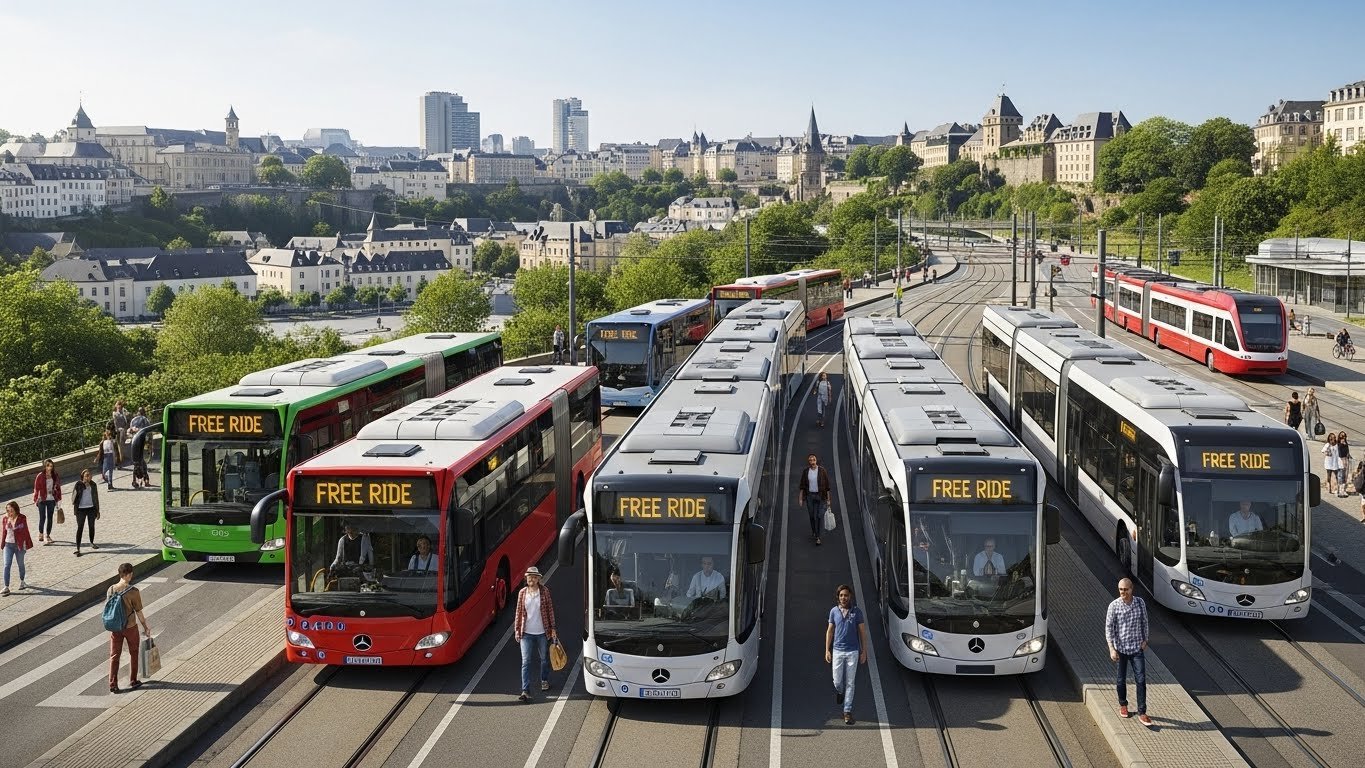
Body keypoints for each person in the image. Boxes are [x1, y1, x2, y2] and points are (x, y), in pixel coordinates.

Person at [1105, 578, 1152, 727]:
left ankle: (1142, 712)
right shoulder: (1114, 606)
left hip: (1137, 648)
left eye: (1126, 589)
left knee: (1141, 679)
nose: (1123, 592)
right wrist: (1111, 648)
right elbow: (1109, 628)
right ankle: (1123, 704)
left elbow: (1145, 621)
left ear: (1132, 589)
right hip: (1121, 649)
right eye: (1120, 589)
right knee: (1121, 679)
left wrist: (1146, 640)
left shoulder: (1140, 603)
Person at [825, 584, 869, 726]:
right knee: (837, 681)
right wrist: (827, 650)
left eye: (846, 595)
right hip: (837, 650)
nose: (844, 598)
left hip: (853, 652)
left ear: (850, 597)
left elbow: (862, 632)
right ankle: (839, 691)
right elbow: (830, 631)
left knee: (850, 682)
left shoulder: (857, 612)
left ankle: (847, 711)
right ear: (838, 597)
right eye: (841, 595)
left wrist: (864, 651)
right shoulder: (834, 611)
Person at [513, 565, 558, 702]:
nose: (530, 579)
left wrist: (553, 629)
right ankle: (525, 690)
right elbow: (518, 612)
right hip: (526, 633)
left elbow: (550, 610)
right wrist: (517, 629)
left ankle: (544, 679)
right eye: (528, 577)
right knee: (525, 661)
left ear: (538, 579)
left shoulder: (544, 592)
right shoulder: (522, 593)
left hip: (542, 632)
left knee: (544, 659)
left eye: (533, 577)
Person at [107, 562, 151, 694]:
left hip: (116, 627)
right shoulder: (133, 591)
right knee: (134, 652)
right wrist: (145, 627)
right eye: (131, 574)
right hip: (130, 627)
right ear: (129, 574)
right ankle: (133, 680)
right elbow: (139, 612)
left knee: (114, 655)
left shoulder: (111, 589)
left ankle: (113, 684)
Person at [797, 453, 832, 546]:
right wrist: (800, 498)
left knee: (819, 516)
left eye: (813, 460)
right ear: (808, 462)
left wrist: (828, 500)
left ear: (816, 461)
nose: (812, 462)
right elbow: (802, 486)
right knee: (812, 516)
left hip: (820, 496)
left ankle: (818, 537)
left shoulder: (822, 471)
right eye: (810, 460)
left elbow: (827, 487)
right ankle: (814, 531)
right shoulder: (805, 472)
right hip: (810, 496)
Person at [2, 501, 34, 596]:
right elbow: (4, 532)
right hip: (8, 545)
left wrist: (26, 544)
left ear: (16, 510)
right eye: (8, 510)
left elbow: (25, 531)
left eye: (11, 510)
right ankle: (6, 587)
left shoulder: (22, 518)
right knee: (7, 565)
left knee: (20, 564)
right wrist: (2, 544)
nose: (9, 512)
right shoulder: (5, 519)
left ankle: (22, 581)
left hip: (19, 545)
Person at [31, 458, 61, 544]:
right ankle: (40, 533)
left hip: (51, 498)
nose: (49, 468)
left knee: (50, 517)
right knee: (42, 517)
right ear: (45, 466)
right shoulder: (40, 476)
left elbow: (58, 488)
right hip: (42, 499)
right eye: (48, 465)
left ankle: (47, 535)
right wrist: (36, 499)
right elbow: (36, 488)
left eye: (51, 466)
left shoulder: (55, 475)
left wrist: (58, 498)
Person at [72, 468, 101, 556]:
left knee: (91, 526)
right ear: (83, 477)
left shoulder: (93, 485)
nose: (88, 477)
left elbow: (96, 498)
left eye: (89, 475)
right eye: (86, 476)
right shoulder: (79, 484)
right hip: (81, 509)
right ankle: (78, 548)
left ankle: (91, 542)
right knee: (80, 528)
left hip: (91, 508)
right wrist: (82, 486)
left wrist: (98, 510)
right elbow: (73, 499)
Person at [111, 401, 129, 467]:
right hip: (118, 431)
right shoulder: (115, 413)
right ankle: (120, 460)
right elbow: (116, 423)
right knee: (120, 445)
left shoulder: (124, 412)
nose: (119, 407)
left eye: (120, 406)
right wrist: (119, 428)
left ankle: (122, 458)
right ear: (116, 406)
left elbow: (128, 416)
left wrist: (125, 412)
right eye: (118, 406)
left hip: (124, 429)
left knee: (122, 444)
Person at [1337, 431, 1353, 497]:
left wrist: (1349, 456)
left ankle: (1344, 490)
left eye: (1344, 436)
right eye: (1341, 436)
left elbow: (1347, 451)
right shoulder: (1338, 444)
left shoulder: (1346, 443)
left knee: (1345, 476)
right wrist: (1344, 462)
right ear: (1339, 437)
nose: (1343, 438)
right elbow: (1340, 454)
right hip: (1341, 461)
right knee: (1341, 476)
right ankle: (1340, 491)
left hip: (1346, 460)